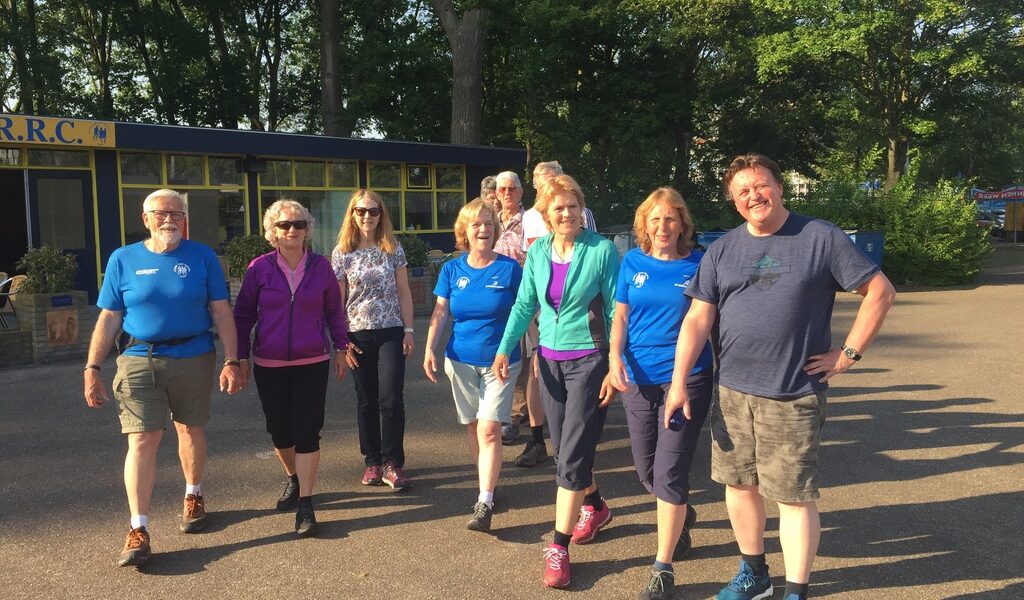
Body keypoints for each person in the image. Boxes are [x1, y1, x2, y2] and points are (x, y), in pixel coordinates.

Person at [664, 154, 896, 600]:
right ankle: (754, 575)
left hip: (792, 394)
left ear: (779, 187)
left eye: (761, 186)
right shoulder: (723, 249)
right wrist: (678, 384)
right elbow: (697, 319)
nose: (754, 196)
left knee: (793, 497)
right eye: (743, 191)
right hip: (733, 393)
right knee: (739, 486)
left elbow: (880, 292)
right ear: (734, 201)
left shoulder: (820, 237)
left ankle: (796, 591)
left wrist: (848, 354)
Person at [83, 188, 241, 567]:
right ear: (146, 219)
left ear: (184, 219)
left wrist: (232, 359)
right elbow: (109, 318)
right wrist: (92, 368)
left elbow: (221, 311)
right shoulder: (123, 259)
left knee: (190, 429)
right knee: (142, 439)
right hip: (140, 359)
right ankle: (138, 528)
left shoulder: (202, 256)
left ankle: (193, 494)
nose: (169, 219)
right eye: (161, 213)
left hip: (194, 355)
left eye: (176, 214)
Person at [493, 174, 619, 589]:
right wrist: (504, 349)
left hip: (590, 359)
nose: (566, 213)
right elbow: (524, 304)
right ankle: (595, 506)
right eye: (558, 208)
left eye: (572, 206)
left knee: (571, 456)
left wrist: (616, 363)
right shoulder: (538, 251)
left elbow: (616, 309)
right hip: (548, 360)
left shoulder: (600, 250)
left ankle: (559, 547)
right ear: (546, 214)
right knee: (566, 450)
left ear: (582, 208)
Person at [608, 188, 714, 600]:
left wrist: (683, 380)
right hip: (638, 378)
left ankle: (662, 568)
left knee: (669, 474)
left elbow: (708, 320)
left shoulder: (699, 264)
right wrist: (614, 358)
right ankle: (681, 513)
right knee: (646, 471)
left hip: (686, 378)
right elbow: (620, 315)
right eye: (655, 219)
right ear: (644, 225)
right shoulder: (632, 262)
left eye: (671, 218)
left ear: (683, 223)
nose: (663, 226)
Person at [233, 199, 349, 537]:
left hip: (312, 361)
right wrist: (240, 356)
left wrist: (342, 348)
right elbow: (243, 315)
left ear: (307, 229)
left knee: (308, 430)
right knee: (279, 431)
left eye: (299, 224)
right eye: (284, 225)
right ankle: (293, 478)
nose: (292, 230)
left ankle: (306, 504)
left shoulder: (321, 267)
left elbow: (335, 312)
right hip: (269, 362)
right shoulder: (259, 268)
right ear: (273, 231)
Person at [423, 198, 523, 533]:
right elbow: (440, 312)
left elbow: (526, 311)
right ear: (464, 231)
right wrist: (429, 348)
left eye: (489, 224)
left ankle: (485, 500)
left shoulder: (510, 269)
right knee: (472, 426)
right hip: (460, 360)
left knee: (489, 429)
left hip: (501, 362)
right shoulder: (452, 270)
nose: (483, 230)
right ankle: (487, 484)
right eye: (476, 224)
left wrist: (536, 349)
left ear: (496, 229)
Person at [332, 190, 415, 491]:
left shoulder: (392, 248)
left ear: (381, 214)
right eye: (361, 210)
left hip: (391, 330)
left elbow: (404, 291)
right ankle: (372, 461)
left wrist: (409, 330)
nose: (367, 216)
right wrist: (341, 341)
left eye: (373, 210)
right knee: (366, 399)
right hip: (357, 335)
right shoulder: (342, 252)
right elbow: (337, 301)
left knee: (391, 397)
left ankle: (392, 462)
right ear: (352, 214)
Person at [492, 170, 543, 462]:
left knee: (524, 357)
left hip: (524, 297)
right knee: (505, 355)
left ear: (522, 192)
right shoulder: (492, 219)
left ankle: (514, 417)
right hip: (497, 300)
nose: (507, 193)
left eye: (512, 189)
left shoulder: (530, 220)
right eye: (502, 189)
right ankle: (508, 413)